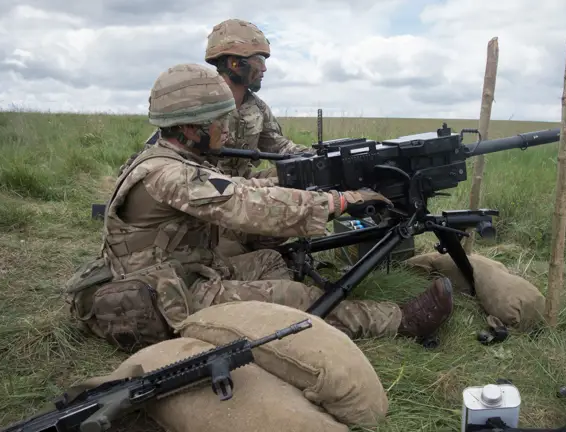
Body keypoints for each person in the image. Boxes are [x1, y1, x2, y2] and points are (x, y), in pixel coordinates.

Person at [67, 62, 454, 352]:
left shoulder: (175, 159)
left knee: (270, 260)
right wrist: (336, 203)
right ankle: (401, 321)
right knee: (299, 299)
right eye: (218, 121)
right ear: (189, 127)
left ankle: (284, 314)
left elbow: (239, 186)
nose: (225, 129)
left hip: (187, 269)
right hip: (169, 295)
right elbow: (245, 204)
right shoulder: (168, 174)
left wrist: (298, 180)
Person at [118, 18, 311, 256]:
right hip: (203, 198)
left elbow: (278, 146)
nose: (264, 69)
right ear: (234, 63)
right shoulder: (197, 105)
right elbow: (162, 155)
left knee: (293, 176)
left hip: (242, 189)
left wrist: (313, 157)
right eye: (259, 60)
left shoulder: (257, 108)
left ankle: (254, 250)